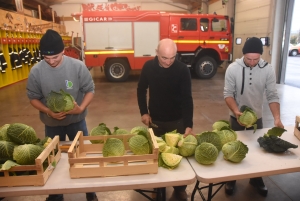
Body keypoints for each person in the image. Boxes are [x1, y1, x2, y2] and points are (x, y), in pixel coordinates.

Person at [26, 29, 97, 201]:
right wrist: (48, 111)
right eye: (46, 58)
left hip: (77, 122)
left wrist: (80, 108)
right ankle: (55, 194)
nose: (50, 61)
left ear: (63, 51)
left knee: (83, 156)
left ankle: (90, 190)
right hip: (51, 125)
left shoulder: (77, 67)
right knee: (52, 161)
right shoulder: (36, 71)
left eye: (55, 57)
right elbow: (33, 97)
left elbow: (90, 90)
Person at [223, 37, 284, 197]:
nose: (251, 62)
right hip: (236, 118)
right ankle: (232, 179)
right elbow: (228, 94)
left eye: (255, 59)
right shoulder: (232, 69)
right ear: (243, 55)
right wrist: (236, 111)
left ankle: (256, 179)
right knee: (234, 149)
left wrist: (277, 118)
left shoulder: (268, 69)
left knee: (258, 152)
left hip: (256, 119)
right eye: (248, 59)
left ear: (261, 56)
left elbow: (272, 95)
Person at [137, 38, 193, 201]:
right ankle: (158, 186)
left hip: (177, 121)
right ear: (156, 53)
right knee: (158, 155)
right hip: (155, 121)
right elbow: (141, 90)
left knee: (177, 156)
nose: (169, 62)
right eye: (164, 58)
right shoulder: (148, 67)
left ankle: (179, 187)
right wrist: (144, 112)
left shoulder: (182, 69)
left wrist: (188, 123)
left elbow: (187, 98)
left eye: (172, 57)